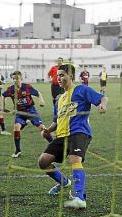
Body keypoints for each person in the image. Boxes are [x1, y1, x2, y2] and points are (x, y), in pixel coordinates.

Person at [38, 64, 108, 209]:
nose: (59, 78)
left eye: (62, 75)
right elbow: (56, 121)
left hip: (79, 132)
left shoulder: (81, 90)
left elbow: (102, 98)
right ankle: (65, 182)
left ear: (71, 76)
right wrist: (47, 130)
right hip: (61, 135)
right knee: (43, 161)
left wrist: (102, 105)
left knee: (74, 159)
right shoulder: (59, 99)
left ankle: (79, 198)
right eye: (58, 75)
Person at [2, 71, 52, 158]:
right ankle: (18, 151)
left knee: (42, 128)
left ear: (21, 79)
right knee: (16, 127)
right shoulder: (10, 89)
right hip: (19, 112)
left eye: (16, 78)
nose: (14, 80)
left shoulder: (27, 87)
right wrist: (3, 107)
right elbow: (3, 95)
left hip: (30, 110)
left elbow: (38, 93)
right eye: (13, 79)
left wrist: (41, 100)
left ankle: (53, 144)